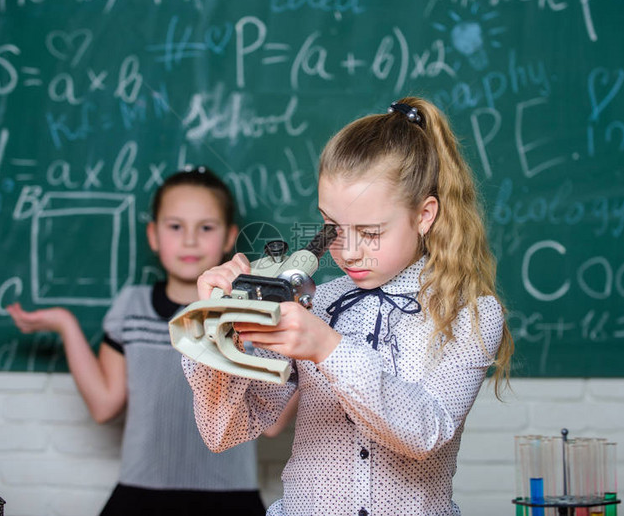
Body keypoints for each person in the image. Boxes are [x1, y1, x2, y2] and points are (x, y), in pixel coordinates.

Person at [183, 97, 514, 516]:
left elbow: (426, 434)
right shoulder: (314, 302)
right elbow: (224, 432)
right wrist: (218, 330)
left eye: (371, 232)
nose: (349, 252)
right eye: (333, 228)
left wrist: (328, 349)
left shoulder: (469, 314)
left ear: (424, 215)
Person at [7, 168, 269, 516]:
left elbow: (272, 423)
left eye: (206, 227)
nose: (190, 240)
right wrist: (66, 325)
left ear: (228, 237)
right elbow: (104, 406)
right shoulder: (130, 308)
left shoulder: (247, 314)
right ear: (153, 235)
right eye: (175, 226)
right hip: (141, 496)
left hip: (230, 497)